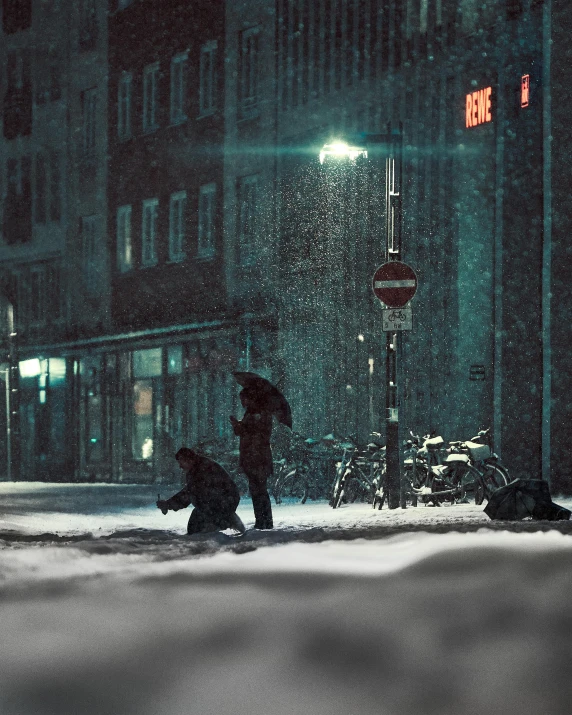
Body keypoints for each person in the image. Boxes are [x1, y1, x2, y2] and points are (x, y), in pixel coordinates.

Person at [156, 447, 245, 535]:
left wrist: (169, 504)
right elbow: (190, 492)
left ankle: (227, 521)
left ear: (188, 459)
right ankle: (228, 520)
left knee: (196, 528)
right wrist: (169, 504)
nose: (180, 466)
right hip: (220, 502)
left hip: (220, 503)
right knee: (196, 527)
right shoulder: (197, 468)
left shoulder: (202, 469)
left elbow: (190, 493)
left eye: (181, 462)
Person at [230, 389, 274, 530]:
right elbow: (245, 432)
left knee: (259, 490)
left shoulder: (259, 412)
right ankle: (262, 520)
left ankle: (264, 521)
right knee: (257, 490)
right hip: (253, 458)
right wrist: (238, 425)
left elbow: (257, 434)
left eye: (244, 399)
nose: (242, 402)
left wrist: (243, 426)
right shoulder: (251, 412)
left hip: (258, 458)